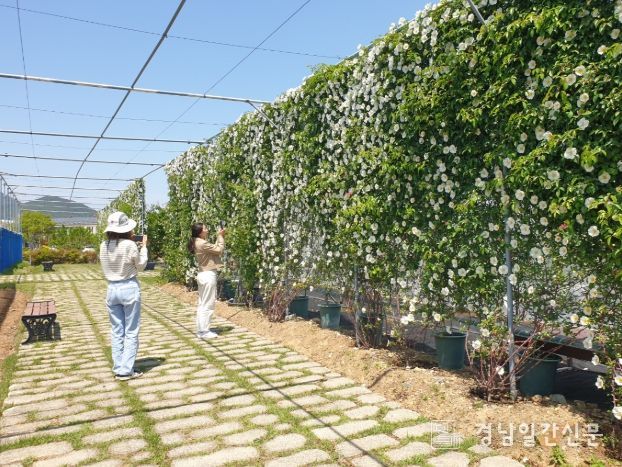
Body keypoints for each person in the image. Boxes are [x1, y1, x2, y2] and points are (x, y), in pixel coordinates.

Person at [99, 211, 148, 380]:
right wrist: (144, 248)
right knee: (131, 330)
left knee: (117, 330)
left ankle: (118, 366)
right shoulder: (129, 245)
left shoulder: (104, 245)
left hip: (112, 288)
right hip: (129, 287)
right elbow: (141, 266)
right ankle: (126, 370)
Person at [188, 222, 225, 339]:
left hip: (203, 274)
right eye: (205, 228)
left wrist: (218, 236)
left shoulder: (197, 242)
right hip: (208, 275)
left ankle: (201, 329)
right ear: (200, 232)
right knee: (208, 304)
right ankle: (204, 331)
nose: (207, 229)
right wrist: (221, 236)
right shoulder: (202, 243)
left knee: (202, 303)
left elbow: (213, 249)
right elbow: (219, 249)